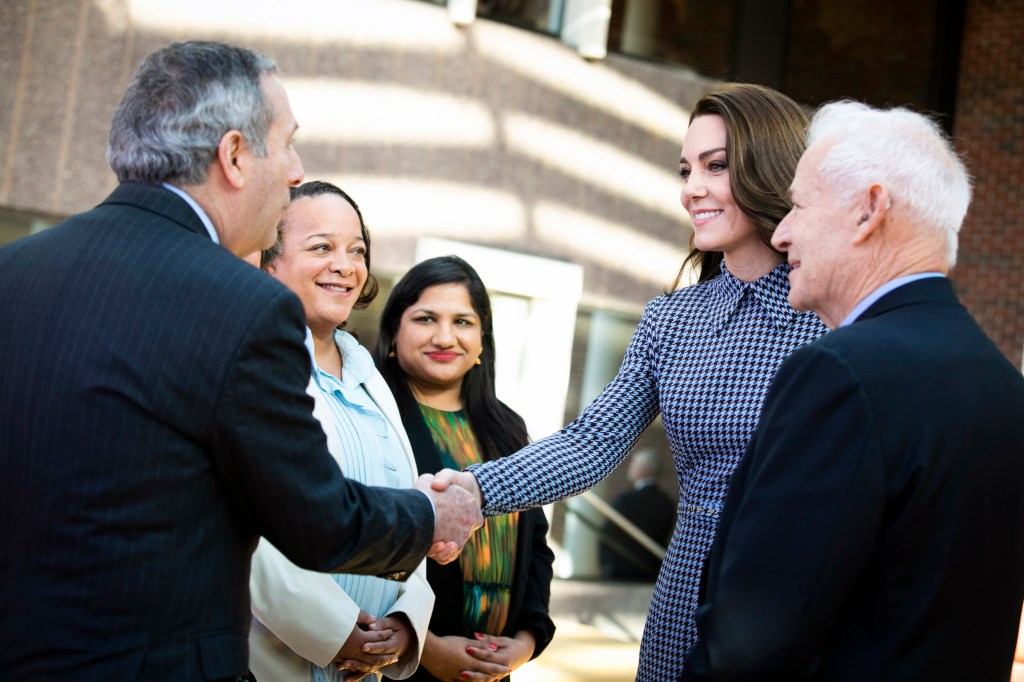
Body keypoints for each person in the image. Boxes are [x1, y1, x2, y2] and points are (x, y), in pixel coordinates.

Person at [0, 41, 480, 680]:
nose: (294, 170)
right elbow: (317, 519)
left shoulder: (14, 271)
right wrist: (429, 514)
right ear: (233, 156)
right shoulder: (243, 306)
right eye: (286, 144)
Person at [432, 83, 829, 680]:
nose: (692, 187)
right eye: (686, 168)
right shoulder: (671, 319)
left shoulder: (832, 318)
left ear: (768, 170)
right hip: (686, 597)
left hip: (798, 596)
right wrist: (473, 491)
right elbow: (591, 443)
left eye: (716, 167)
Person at [682, 101, 1024, 680]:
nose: (783, 233)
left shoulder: (838, 375)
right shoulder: (1005, 388)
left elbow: (753, 641)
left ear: (869, 210)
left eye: (798, 206)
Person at [248, 181, 434, 682]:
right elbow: (247, 531)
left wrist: (406, 620)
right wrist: (335, 632)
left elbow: (403, 507)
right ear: (270, 263)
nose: (345, 265)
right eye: (321, 247)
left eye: (357, 250)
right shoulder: (252, 365)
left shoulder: (372, 379)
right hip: (276, 659)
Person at [373, 256, 556, 682]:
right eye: (425, 318)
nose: (444, 336)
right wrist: (426, 647)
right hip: (398, 665)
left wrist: (525, 642)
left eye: (462, 321)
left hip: (492, 670)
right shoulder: (373, 417)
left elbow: (536, 551)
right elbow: (359, 546)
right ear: (394, 334)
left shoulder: (507, 428)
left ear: (481, 341)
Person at [599, 447, 675, 581]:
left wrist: (607, 564)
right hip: (653, 571)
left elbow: (607, 535)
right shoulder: (668, 504)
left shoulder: (626, 499)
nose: (630, 468)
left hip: (620, 572)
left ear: (643, 469)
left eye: (633, 464)